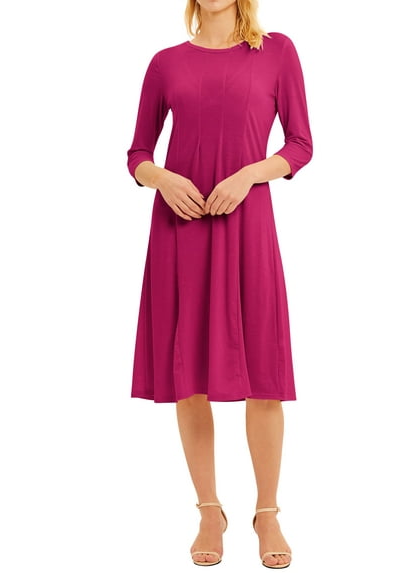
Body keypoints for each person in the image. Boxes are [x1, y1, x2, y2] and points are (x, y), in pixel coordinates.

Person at [126, 0, 312, 568]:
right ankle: (209, 510)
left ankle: (267, 513)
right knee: (188, 375)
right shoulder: (165, 62)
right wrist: (162, 179)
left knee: (264, 373)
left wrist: (249, 175)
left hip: (248, 224)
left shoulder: (276, 51)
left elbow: (300, 145)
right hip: (180, 227)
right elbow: (137, 154)